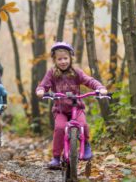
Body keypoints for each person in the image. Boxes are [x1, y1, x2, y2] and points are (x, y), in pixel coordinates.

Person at [36, 42, 108, 170]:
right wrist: (41, 90)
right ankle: (57, 157)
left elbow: (89, 80)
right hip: (61, 110)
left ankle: (85, 145)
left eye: (65, 58)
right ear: (54, 60)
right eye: (59, 59)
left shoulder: (76, 72)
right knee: (59, 128)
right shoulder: (52, 73)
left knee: (83, 125)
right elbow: (44, 84)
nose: (63, 61)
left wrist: (100, 87)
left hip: (76, 107)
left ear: (71, 58)